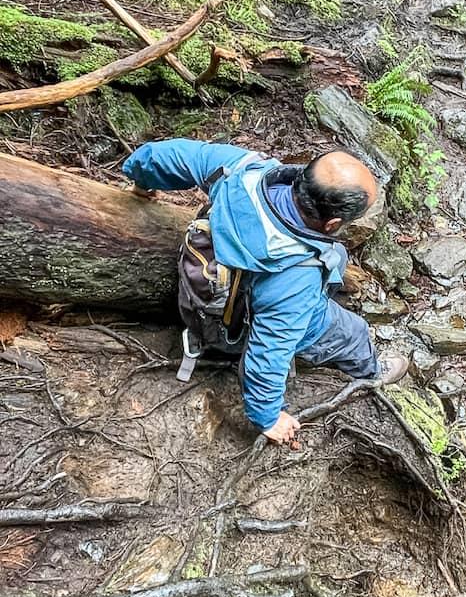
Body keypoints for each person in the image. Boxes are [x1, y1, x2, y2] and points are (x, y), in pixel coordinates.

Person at [123, 139, 409, 443]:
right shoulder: (297, 277)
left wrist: (140, 180)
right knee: (354, 332)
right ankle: (372, 373)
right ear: (333, 223)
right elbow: (268, 351)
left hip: (203, 294)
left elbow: (170, 157)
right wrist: (267, 416)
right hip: (225, 331)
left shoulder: (243, 171)